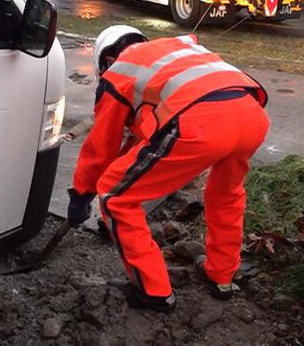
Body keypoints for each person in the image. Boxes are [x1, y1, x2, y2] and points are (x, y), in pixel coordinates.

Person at [67, 25, 270, 312]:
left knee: (115, 196)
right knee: (227, 194)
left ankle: (154, 291)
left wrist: (81, 194)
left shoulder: (117, 74)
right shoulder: (172, 51)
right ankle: (221, 276)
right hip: (251, 115)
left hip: (200, 123)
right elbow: (140, 145)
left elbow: (101, 147)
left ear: (106, 60)